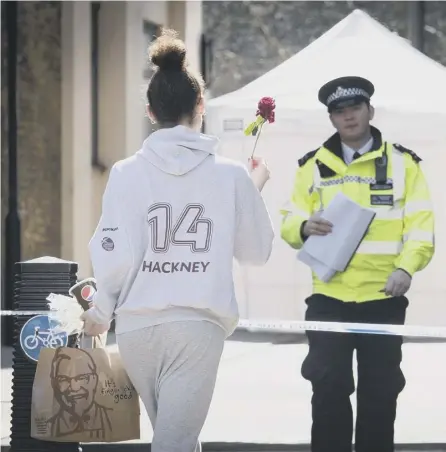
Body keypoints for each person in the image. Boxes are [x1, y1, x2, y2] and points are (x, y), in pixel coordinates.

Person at [80, 29, 274, 452]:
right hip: (196, 326)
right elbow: (255, 252)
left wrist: (101, 310)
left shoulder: (125, 173)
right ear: (200, 106)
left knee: (175, 439)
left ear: (151, 111)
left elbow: (114, 251)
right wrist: (252, 190)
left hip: (136, 329)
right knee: (177, 441)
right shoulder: (230, 175)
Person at [280, 76, 434, 452]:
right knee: (328, 387)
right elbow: (288, 220)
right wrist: (302, 226)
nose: (348, 117)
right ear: (331, 119)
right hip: (329, 299)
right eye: (339, 112)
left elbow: (421, 227)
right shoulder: (312, 166)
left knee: (380, 393)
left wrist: (406, 268)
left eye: (355, 109)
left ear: (370, 111)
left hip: (383, 296)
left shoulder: (404, 164)